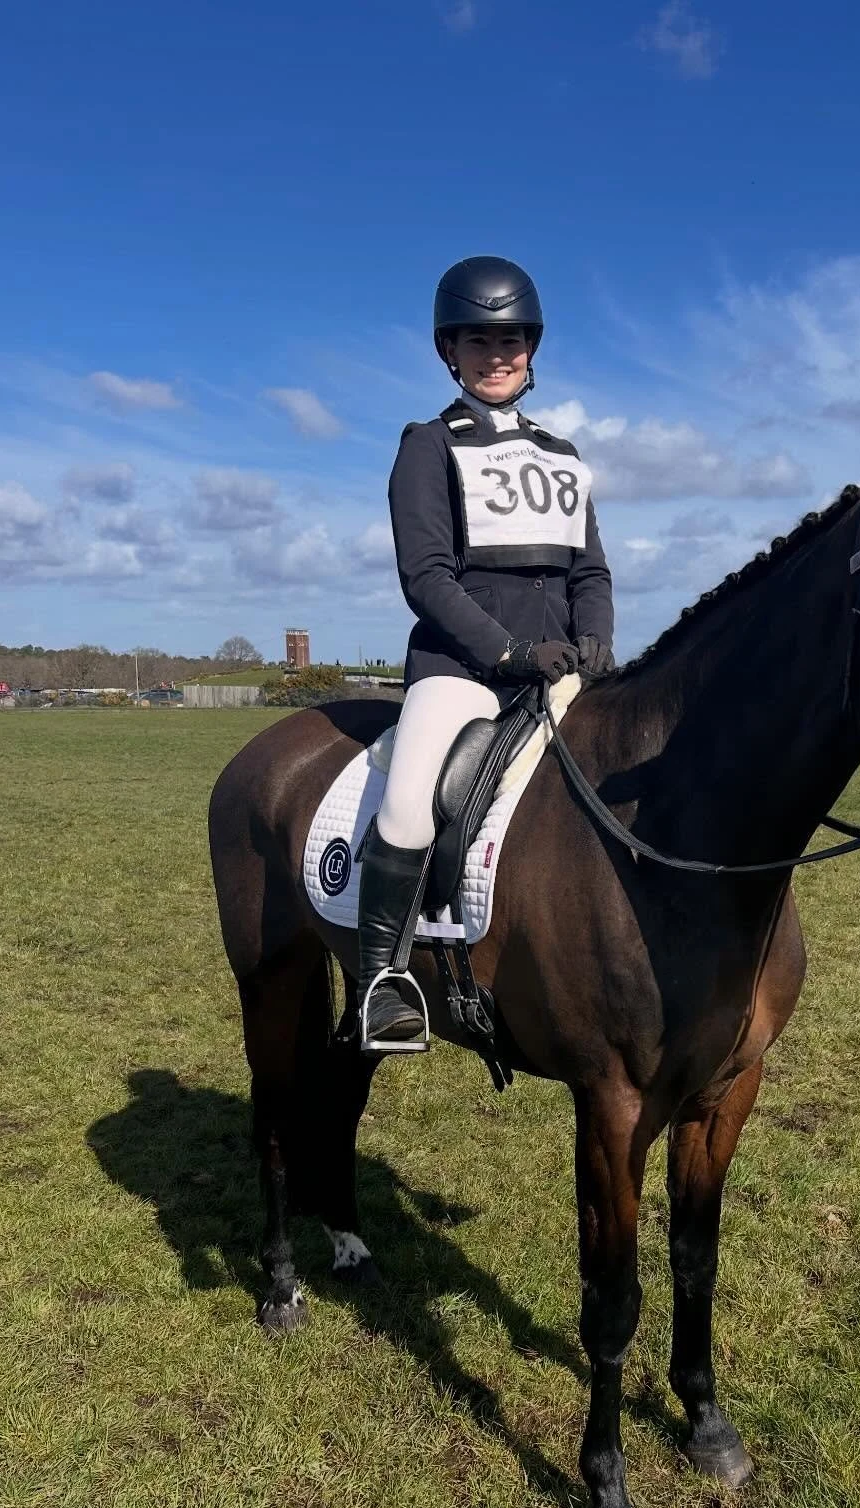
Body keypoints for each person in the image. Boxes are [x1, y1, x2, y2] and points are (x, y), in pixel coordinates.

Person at [357, 255, 615, 1052]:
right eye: (478, 342)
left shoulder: (562, 454)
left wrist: (595, 639)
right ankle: (381, 982)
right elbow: (426, 577)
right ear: (450, 352)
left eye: (509, 342)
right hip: (464, 672)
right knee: (409, 804)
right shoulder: (428, 446)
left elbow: (590, 569)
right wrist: (507, 653)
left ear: (530, 349)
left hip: (558, 671)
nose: (495, 357)